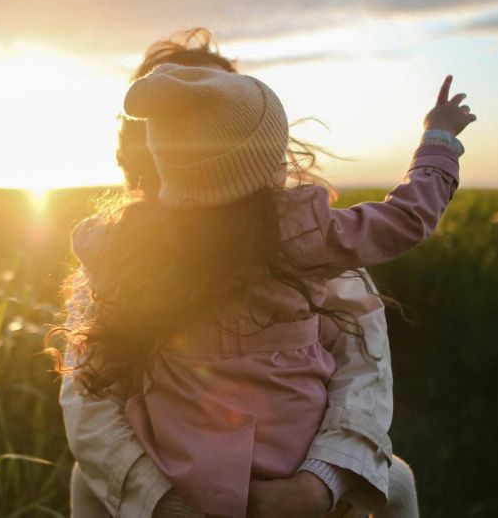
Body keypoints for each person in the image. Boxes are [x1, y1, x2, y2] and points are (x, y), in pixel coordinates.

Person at [54, 29, 474, 517]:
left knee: (395, 482)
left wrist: (319, 483)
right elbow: (90, 401)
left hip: (276, 476)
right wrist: (438, 144)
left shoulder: (123, 243)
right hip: (179, 482)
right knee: (89, 478)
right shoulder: (305, 235)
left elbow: (363, 364)